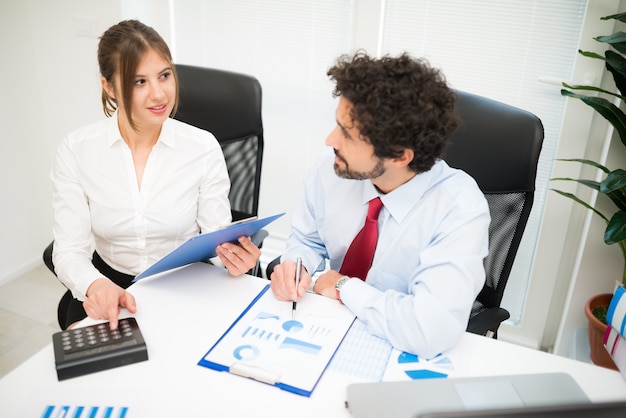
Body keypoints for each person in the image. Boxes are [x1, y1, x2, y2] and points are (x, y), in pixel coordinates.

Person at [269, 51, 490, 358]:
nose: (330, 140)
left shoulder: (460, 208)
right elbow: (308, 239)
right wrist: (297, 264)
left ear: (400, 156)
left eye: (347, 134)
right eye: (337, 124)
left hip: (396, 349)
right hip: (326, 328)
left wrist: (345, 287)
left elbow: (428, 330)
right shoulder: (328, 169)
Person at [51, 19, 260, 331]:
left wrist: (235, 260)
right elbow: (69, 251)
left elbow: (217, 238)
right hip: (111, 285)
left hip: (185, 285)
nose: (159, 94)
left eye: (164, 75)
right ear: (109, 86)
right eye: (139, 82)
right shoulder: (77, 150)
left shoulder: (202, 147)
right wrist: (95, 286)